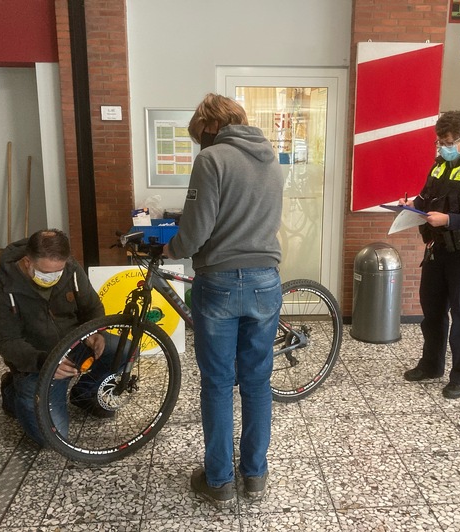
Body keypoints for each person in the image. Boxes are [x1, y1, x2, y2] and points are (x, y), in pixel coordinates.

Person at [163, 93, 283, 508]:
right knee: (256, 383)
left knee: (217, 385)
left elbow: (195, 232)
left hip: (220, 283)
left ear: (211, 126)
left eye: (201, 136)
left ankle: (219, 481)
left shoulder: (211, 160)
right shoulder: (271, 157)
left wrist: (170, 249)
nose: (201, 144)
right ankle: (255, 476)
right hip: (267, 279)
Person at [399, 111, 460, 399]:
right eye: (439, 141)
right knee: (431, 314)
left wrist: (449, 220)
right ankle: (431, 365)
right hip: (437, 251)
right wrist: (410, 205)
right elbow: (424, 198)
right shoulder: (439, 166)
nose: (443, 146)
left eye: (450, 141)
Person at [0, 229, 113, 446]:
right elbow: (5, 341)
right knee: (51, 439)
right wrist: (45, 362)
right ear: (27, 262)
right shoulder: (0, 286)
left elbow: (92, 307)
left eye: (58, 272)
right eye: (46, 273)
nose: (52, 279)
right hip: (37, 362)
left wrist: (95, 333)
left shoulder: (72, 270)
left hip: (75, 345)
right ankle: (12, 392)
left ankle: (86, 394)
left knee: (124, 349)